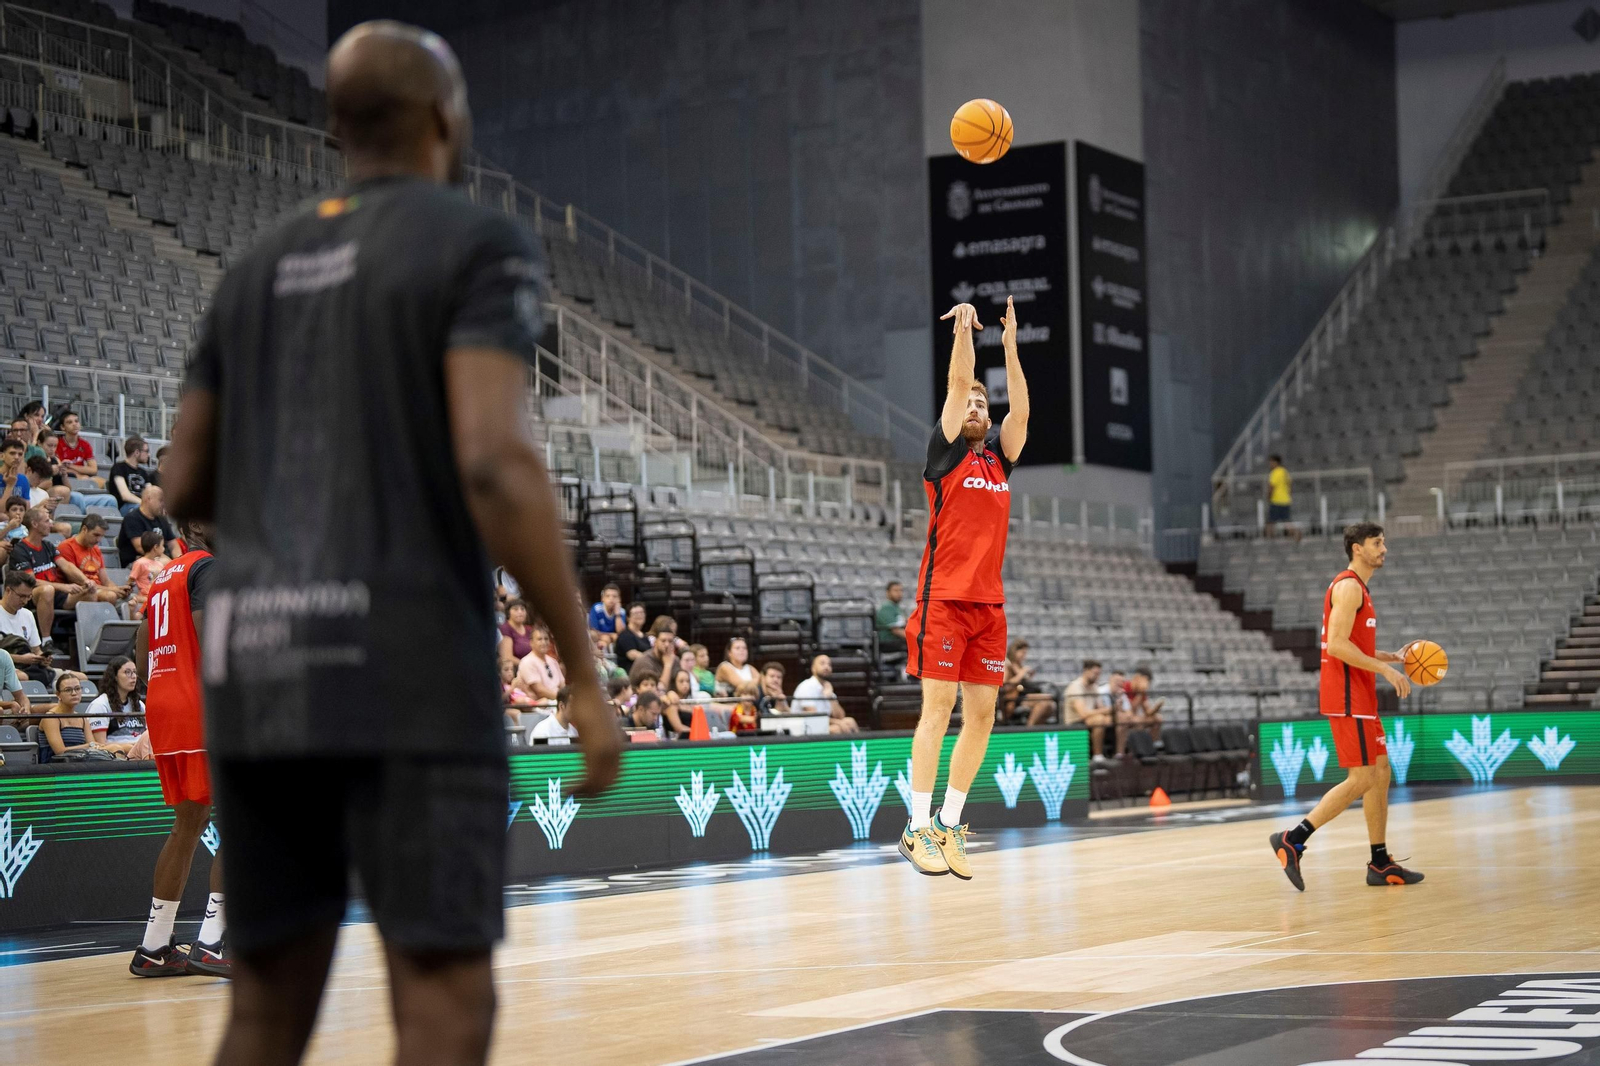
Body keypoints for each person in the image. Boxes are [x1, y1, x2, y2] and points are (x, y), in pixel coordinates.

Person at [160, 22, 621, 1063]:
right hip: (406, 663)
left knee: (266, 1003)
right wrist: (584, 677)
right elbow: (494, 459)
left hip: (263, 662)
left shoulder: (256, 267)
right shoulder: (473, 240)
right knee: (442, 997)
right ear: (443, 120)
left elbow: (182, 480)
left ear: (334, 124)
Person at [901, 296, 1030, 881]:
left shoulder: (999, 461)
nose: (978, 405)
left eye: (985, 400)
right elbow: (956, 385)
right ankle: (916, 827)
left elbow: (1021, 414)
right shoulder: (945, 454)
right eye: (972, 402)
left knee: (983, 717)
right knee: (939, 710)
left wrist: (1009, 345)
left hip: (989, 606)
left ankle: (951, 825)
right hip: (944, 600)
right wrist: (965, 331)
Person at [1270, 522, 1421, 892]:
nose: (1384, 548)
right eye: (1377, 542)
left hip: (1361, 696)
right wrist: (1385, 669)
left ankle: (1380, 862)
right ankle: (1293, 838)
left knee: (1381, 773)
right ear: (1357, 548)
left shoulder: (1361, 589)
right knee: (1363, 778)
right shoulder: (1349, 587)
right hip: (1347, 697)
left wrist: (1392, 656)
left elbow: (1355, 646)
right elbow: (1336, 646)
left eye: (1384, 541)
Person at [127, 526, 228, 976]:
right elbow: (216, 646)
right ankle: (213, 942)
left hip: (167, 707)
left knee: (187, 825)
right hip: (201, 708)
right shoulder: (208, 567)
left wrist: (165, 691)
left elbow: (142, 645)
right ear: (196, 528)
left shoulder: (166, 573)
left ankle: (154, 946)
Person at [9, 506, 92, 636]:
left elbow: (66, 566)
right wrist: (63, 587)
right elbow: (31, 581)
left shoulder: (47, 545)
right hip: (31, 595)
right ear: (35, 524)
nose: (51, 524)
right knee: (47, 590)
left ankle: (81, 640)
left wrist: (86, 581)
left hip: (56, 593)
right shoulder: (20, 549)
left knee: (90, 593)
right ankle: (46, 639)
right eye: (47, 521)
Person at [39, 673, 121, 761]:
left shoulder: (82, 718)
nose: (74, 693)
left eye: (77, 689)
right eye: (68, 690)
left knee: (116, 749)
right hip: (56, 764)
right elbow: (60, 751)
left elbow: (92, 744)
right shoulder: (51, 718)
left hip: (80, 759)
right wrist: (88, 746)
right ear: (58, 695)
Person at [56, 513, 127, 605]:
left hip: (98, 589)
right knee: (110, 595)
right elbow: (77, 581)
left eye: (101, 536)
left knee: (130, 599)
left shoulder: (96, 549)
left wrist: (118, 590)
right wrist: (111, 590)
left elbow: (105, 580)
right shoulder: (66, 547)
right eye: (96, 535)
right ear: (84, 529)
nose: (98, 540)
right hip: (79, 590)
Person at [0, 570, 50, 680]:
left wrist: (42, 659)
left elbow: (36, 650)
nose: (25, 601)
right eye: (21, 596)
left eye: (28, 597)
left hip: (29, 667)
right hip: (4, 667)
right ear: (8, 590)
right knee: (22, 678)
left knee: (80, 677)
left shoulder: (27, 614)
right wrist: (20, 659)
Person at [792, 653, 858, 734]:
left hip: (820, 726)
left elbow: (841, 716)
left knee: (850, 721)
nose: (826, 667)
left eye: (829, 664)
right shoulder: (806, 686)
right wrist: (838, 722)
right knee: (838, 729)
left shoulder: (827, 687)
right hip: (803, 728)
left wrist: (830, 697)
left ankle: (862, 746)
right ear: (813, 668)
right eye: (822, 663)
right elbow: (814, 717)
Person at [117, 484, 180, 566]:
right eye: (160, 500)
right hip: (139, 560)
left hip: (162, 559)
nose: (163, 504)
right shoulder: (132, 518)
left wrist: (179, 560)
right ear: (148, 499)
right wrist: (169, 562)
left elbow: (173, 544)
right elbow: (142, 548)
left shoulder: (161, 519)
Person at [87, 655, 144, 744]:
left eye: (134, 672)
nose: (133, 676)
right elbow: (101, 746)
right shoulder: (100, 705)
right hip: (117, 754)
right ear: (115, 677)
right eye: (127, 672)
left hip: (141, 752)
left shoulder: (139, 704)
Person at [1063, 660, 1113, 758]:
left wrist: (1110, 713)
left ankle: (1118, 753)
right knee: (1099, 720)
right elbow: (1082, 714)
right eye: (1095, 673)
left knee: (1117, 719)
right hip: (1075, 721)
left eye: (1099, 674)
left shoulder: (1094, 687)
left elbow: (1100, 707)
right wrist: (1105, 711)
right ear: (1086, 670)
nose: (1097, 676)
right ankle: (1098, 755)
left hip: (1089, 718)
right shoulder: (1075, 687)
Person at [1001, 640, 1056, 726]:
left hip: (1024, 694)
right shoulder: (1007, 665)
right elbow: (1005, 684)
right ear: (1015, 651)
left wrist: (1028, 676)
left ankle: (1035, 726)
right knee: (1045, 702)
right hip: (1014, 698)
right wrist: (1021, 674)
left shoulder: (1019, 665)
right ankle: (1029, 728)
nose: (1024, 656)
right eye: (1022, 652)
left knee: (1050, 703)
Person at [55, 411, 105, 488]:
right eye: (69, 422)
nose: (74, 424)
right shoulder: (57, 444)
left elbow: (93, 469)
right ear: (62, 427)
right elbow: (59, 469)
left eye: (76, 421)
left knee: (104, 482)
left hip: (83, 478)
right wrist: (78, 475)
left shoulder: (85, 444)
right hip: (65, 479)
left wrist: (71, 466)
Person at [515, 626, 565, 701]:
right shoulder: (527, 662)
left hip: (557, 702)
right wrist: (563, 698)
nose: (544, 642)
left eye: (546, 639)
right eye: (539, 639)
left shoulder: (553, 661)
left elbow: (562, 685)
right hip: (541, 705)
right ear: (531, 643)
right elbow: (540, 691)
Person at [129, 531, 171, 618]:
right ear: (156, 547)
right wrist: (134, 595)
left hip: (157, 594)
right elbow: (131, 581)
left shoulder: (159, 564)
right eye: (162, 546)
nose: (163, 549)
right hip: (145, 596)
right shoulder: (140, 563)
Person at [1122, 666, 1165, 748]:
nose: (1146, 684)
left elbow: (1148, 712)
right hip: (1125, 717)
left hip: (1135, 717)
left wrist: (1156, 708)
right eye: (1145, 681)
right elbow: (1131, 709)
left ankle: (1153, 744)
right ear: (1138, 677)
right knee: (1139, 721)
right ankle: (1138, 746)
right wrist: (1140, 693)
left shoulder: (1141, 692)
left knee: (1157, 719)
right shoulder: (1126, 687)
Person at [110, 436, 151, 515]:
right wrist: (144, 504)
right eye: (146, 451)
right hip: (125, 507)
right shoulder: (119, 468)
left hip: (141, 505)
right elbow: (125, 495)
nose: (148, 455)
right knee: (140, 510)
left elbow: (150, 492)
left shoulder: (143, 472)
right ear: (136, 452)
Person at [1265, 454, 1299, 541]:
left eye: (1271, 462)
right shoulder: (1285, 472)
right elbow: (1289, 485)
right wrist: (1288, 495)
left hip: (1276, 500)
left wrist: (1268, 496)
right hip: (1285, 500)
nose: (1270, 464)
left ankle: (1269, 540)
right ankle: (1296, 534)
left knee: (1270, 522)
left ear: (1276, 462)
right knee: (1287, 521)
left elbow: (1271, 487)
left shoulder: (1274, 473)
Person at [876, 580, 908, 656]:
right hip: (887, 642)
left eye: (900, 590)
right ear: (888, 593)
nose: (899, 593)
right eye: (895, 590)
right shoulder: (887, 607)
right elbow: (896, 630)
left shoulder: (896, 607)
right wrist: (914, 638)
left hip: (897, 641)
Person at [497, 598, 533, 662]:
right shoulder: (505, 628)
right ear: (508, 613)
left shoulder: (529, 629)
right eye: (515, 609)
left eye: (522, 609)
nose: (520, 612)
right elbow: (507, 656)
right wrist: (527, 667)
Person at [0, 437, 31, 506]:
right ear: (1, 456)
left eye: (20, 454)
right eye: (12, 453)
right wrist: (10, 486)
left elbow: (26, 510)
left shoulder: (23, 479)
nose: (17, 457)